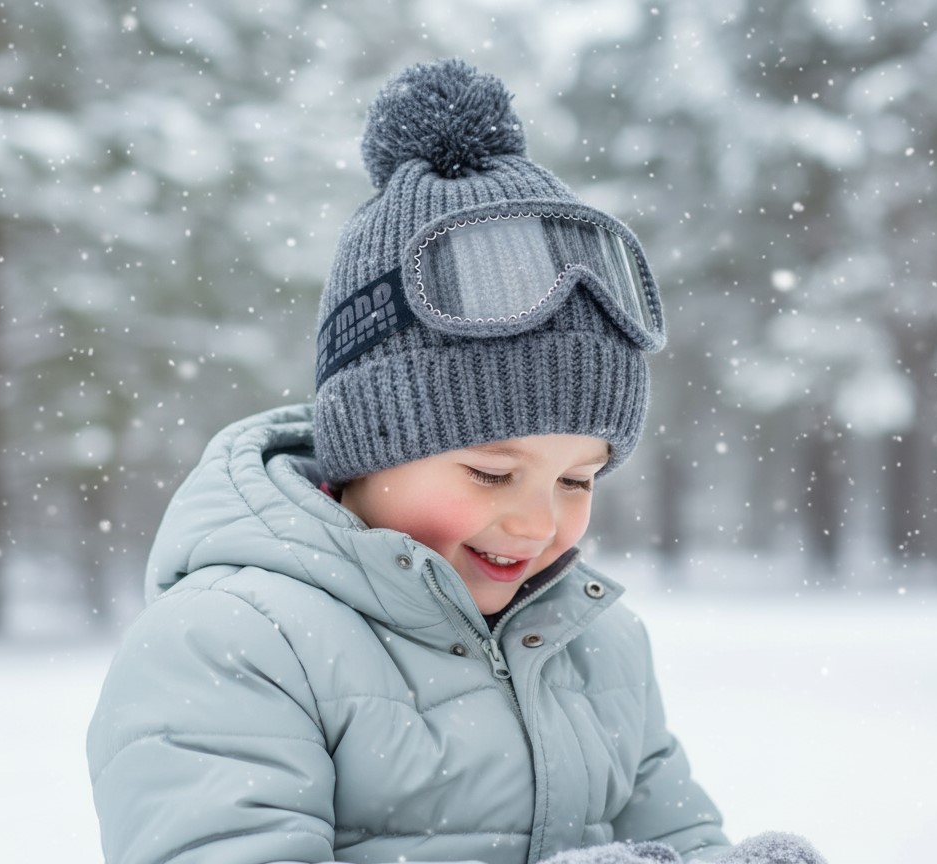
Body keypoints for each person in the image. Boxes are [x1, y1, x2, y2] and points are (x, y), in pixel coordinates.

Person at [87, 59, 827, 864]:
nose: (539, 521)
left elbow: (675, 839)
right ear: (367, 448)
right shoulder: (233, 641)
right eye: (491, 472)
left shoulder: (598, 647)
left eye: (578, 479)